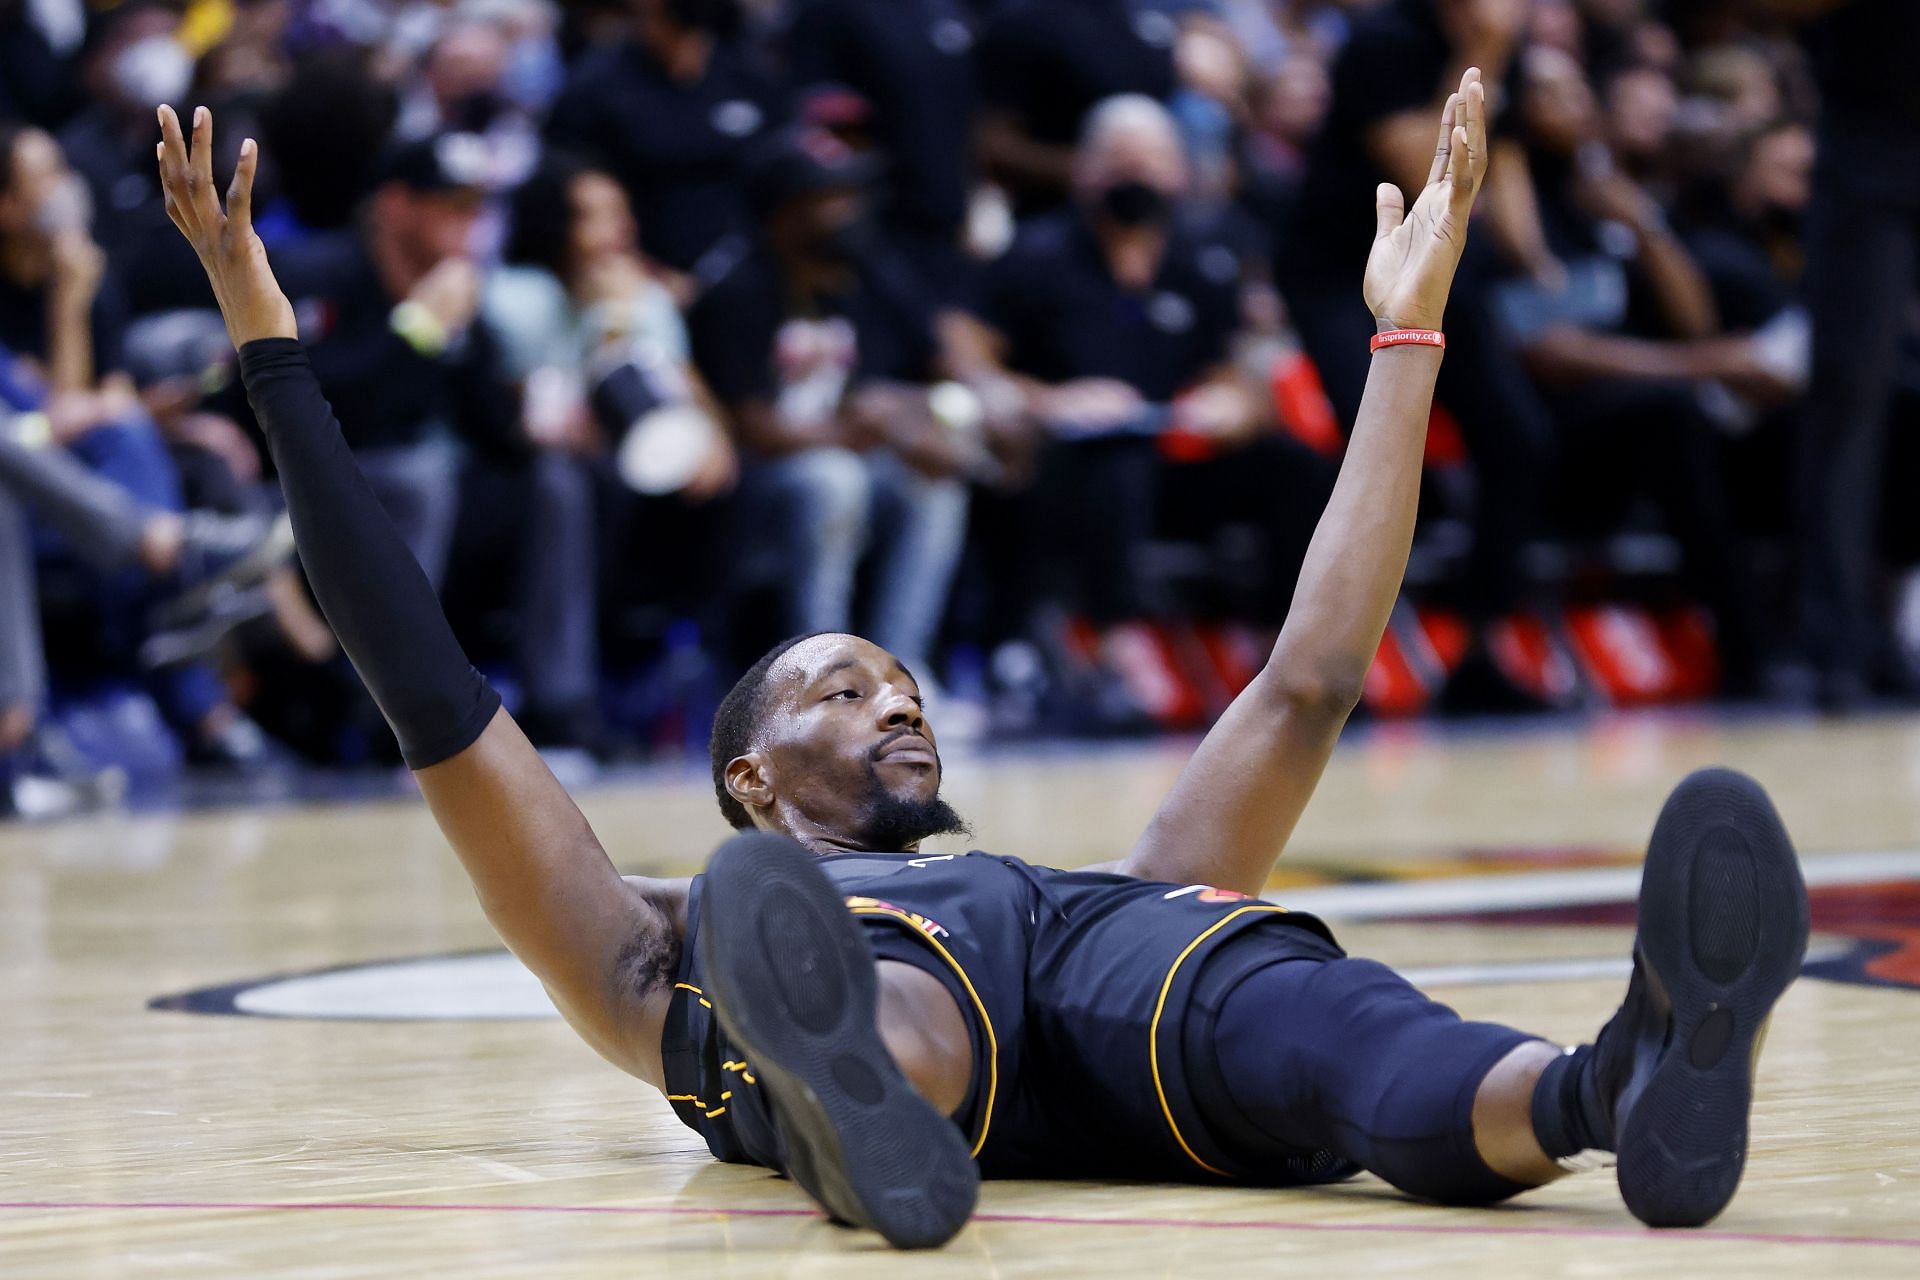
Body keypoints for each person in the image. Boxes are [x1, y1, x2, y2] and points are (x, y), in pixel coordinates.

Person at [157, 76, 1809, 1251]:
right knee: (859, 986)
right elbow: (427, 683)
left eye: (900, 679)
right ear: (748, 781)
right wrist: (268, 343)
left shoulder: (1116, 885)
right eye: (837, 685)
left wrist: (1409, 332)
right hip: (830, 978)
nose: (894, 696)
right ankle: (853, 1087)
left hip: (1101, 969)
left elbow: (1310, 677)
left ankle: (1613, 1087)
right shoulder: (634, 950)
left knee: (1314, 1018)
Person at [979, 94, 1331, 641]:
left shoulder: (1207, 256)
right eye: (1119, 161)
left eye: (1149, 161)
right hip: (1075, 462)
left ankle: (1282, 644)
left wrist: (1233, 397)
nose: (1135, 174)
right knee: (1116, 466)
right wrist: (1045, 400)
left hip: (1180, 452)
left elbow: (1244, 359)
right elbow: (968, 354)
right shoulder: (1035, 254)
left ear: (1178, 172)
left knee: (1295, 468)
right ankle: (1113, 647)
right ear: (1085, 170)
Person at [686, 125, 971, 673]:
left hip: (841, 456)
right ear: (785, 212)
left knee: (932, 485)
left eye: (851, 196)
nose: (850, 213)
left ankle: (900, 670)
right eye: (830, 199)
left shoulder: (865, 276)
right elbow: (751, 428)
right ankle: (821, 674)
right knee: (832, 477)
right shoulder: (737, 287)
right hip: (749, 483)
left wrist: (925, 424)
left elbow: (930, 361)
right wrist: (863, 431)